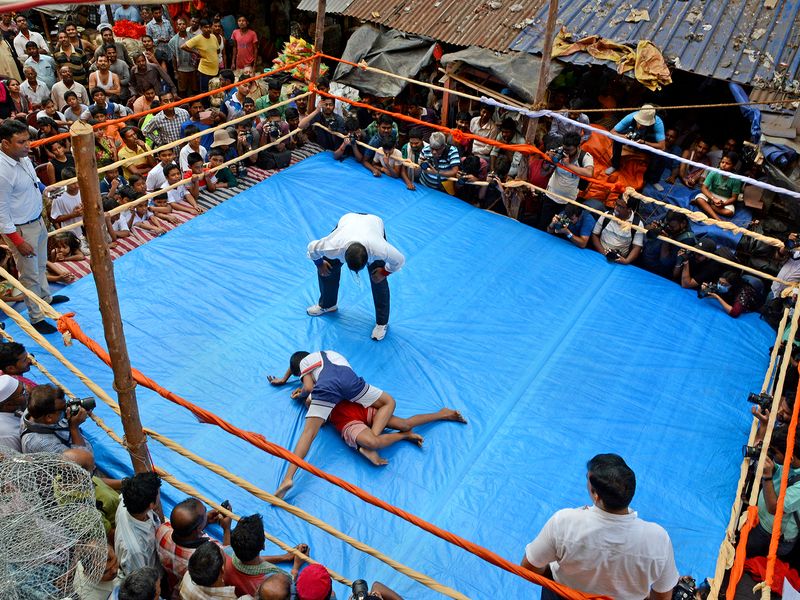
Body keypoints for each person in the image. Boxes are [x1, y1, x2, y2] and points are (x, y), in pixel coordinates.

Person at [522, 453, 679, 599]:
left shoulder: (564, 522)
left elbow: (529, 567)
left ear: (596, 495)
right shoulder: (658, 540)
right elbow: (662, 595)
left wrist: (555, 579)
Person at [268, 350, 399, 498]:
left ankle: (287, 479)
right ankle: (372, 439)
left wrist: (301, 394)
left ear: (302, 372)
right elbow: (298, 365)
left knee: (308, 433)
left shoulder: (306, 367)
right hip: (349, 381)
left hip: (329, 387)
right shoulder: (325, 354)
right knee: (389, 402)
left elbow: (308, 388)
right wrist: (284, 379)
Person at [0, 120, 69, 335]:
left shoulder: (21, 156)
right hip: (20, 228)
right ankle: (36, 317)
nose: (28, 145)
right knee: (29, 275)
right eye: (21, 142)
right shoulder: (2, 172)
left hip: (37, 220)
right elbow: (1, 212)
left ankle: (46, 299)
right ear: (4, 143)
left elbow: (33, 180)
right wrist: (18, 241)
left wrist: (46, 189)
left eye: (28, 139)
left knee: (40, 265)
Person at [306, 213, 405, 340]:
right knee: (326, 269)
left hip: (373, 223)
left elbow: (400, 260)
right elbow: (311, 247)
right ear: (343, 256)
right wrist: (319, 264)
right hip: (348, 221)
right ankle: (327, 305)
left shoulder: (379, 249)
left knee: (378, 279)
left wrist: (384, 272)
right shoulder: (333, 246)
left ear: (369, 257)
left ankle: (382, 323)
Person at [156, 497, 231, 598]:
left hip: (170, 584)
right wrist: (227, 530)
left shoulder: (161, 531)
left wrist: (204, 521)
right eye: (205, 511)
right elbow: (228, 557)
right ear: (199, 528)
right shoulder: (206, 558)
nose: (206, 512)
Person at [746, 425, 800, 558]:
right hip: (761, 522)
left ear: (790, 458)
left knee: (749, 558)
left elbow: (774, 507)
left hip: (770, 535)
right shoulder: (790, 463)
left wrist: (767, 474)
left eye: (774, 452)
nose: (772, 454)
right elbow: (781, 471)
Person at [223, 513, 306, 596]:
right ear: (263, 545)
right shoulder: (271, 581)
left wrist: (284, 557)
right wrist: (296, 567)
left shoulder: (225, 555)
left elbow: (251, 563)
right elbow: (289, 586)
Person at [537, 132, 595, 230]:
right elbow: (544, 170)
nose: (566, 152)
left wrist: (568, 165)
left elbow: (589, 173)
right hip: (550, 196)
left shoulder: (585, 157)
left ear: (578, 146)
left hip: (568, 202)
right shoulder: (559, 151)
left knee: (559, 229)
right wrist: (548, 158)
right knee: (542, 226)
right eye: (565, 149)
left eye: (569, 150)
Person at [19, 383, 92, 453]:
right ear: (49, 417)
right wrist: (74, 428)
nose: (67, 409)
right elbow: (83, 459)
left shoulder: (34, 409)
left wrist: (70, 414)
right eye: (63, 408)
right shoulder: (43, 444)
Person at [115, 471, 162, 577]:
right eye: (159, 493)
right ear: (151, 505)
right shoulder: (135, 551)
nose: (160, 496)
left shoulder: (127, 500)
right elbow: (141, 579)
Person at [605, 104, 666, 175]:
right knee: (617, 140)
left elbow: (662, 146)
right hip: (630, 138)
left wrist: (644, 142)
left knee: (660, 155)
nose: (640, 125)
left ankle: (650, 177)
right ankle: (615, 165)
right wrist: (623, 137)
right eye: (639, 122)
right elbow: (611, 132)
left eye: (643, 124)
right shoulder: (630, 117)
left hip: (646, 142)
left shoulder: (658, 124)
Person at [179, 541, 245, 599]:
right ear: (222, 570)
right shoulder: (230, 598)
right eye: (221, 551)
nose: (222, 548)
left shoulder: (187, 577)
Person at [591, 196, 645, 265]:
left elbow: (637, 247)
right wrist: (604, 253)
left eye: (620, 206)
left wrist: (626, 261)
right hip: (600, 255)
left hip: (620, 262)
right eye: (616, 204)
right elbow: (595, 234)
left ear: (629, 209)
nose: (616, 208)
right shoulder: (607, 215)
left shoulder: (637, 224)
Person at [691, 152, 742, 220]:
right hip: (711, 195)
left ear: (733, 165)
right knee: (699, 198)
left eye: (727, 163)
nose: (723, 165)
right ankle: (717, 218)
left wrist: (723, 204)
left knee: (729, 212)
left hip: (724, 199)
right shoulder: (714, 172)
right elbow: (703, 188)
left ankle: (708, 206)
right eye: (722, 162)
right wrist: (713, 199)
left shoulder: (736, 179)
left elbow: (734, 198)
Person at [698, 270, 765, 317]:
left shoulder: (744, 292)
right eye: (720, 282)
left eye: (724, 284)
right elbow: (701, 295)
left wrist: (717, 297)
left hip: (756, 309)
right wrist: (704, 289)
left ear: (733, 285)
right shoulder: (721, 284)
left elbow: (734, 313)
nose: (720, 285)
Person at [181, 20, 220, 92]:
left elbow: (217, 50)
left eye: (209, 27)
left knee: (215, 91)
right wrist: (196, 52)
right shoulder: (198, 38)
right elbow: (183, 46)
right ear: (201, 28)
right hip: (204, 70)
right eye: (205, 27)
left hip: (215, 69)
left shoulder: (213, 37)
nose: (207, 29)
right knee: (205, 92)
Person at [170, 17, 197, 97]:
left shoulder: (193, 37)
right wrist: (175, 71)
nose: (182, 26)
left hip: (192, 68)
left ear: (187, 25)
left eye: (183, 24)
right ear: (177, 26)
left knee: (194, 89)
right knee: (182, 90)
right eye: (179, 24)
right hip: (181, 69)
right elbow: (173, 57)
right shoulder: (173, 40)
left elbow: (196, 53)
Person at [0, 374, 28, 451]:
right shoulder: (7, 433)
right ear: (9, 404)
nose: (27, 392)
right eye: (23, 392)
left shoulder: (10, 411)